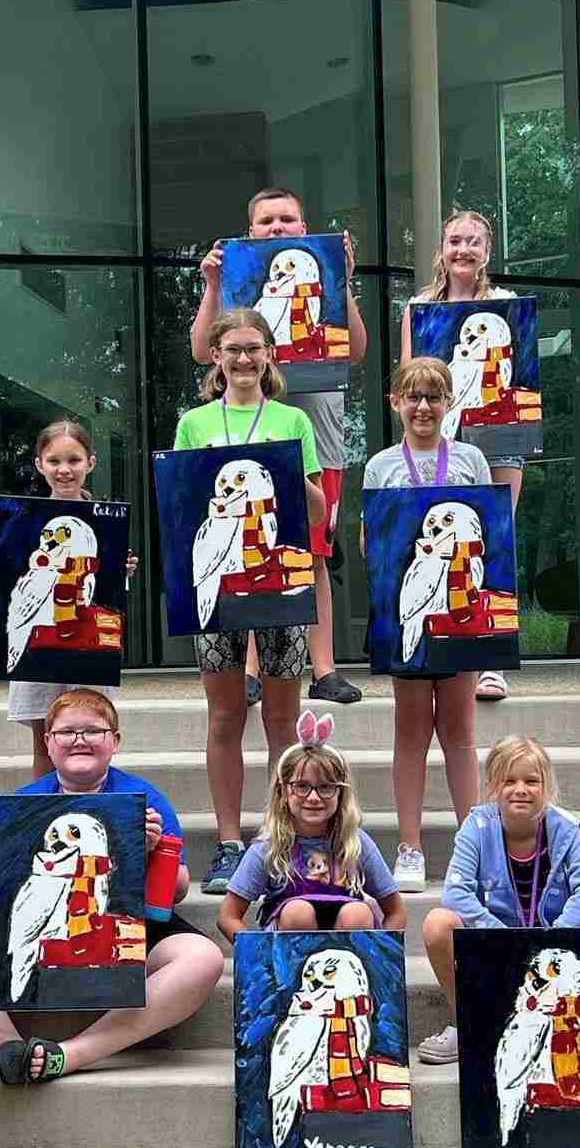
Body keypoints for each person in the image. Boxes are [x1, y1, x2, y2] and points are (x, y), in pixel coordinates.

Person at [0, 689, 223, 1084]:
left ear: (114, 741)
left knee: (204, 959)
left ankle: (70, 1054)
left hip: (124, 927)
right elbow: (4, 898)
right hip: (33, 931)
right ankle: (7, 1047)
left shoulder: (148, 800)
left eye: (93, 730)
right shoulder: (21, 802)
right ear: (47, 743)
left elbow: (177, 893)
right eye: (66, 732)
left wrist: (150, 854)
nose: (79, 739)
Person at [192, 187, 368, 708]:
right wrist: (212, 284)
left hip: (318, 442)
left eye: (287, 219)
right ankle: (249, 668)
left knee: (314, 554)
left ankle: (325, 667)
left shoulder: (325, 280)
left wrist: (346, 280)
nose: (277, 228)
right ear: (250, 231)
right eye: (266, 220)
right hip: (245, 444)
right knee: (250, 547)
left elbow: (355, 350)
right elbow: (203, 351)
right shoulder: (239, 288)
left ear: (303, 224)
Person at [175, 308, 329, 896]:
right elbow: (184, 508)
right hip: (218, 589)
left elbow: (316, 515)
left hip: (281, 585)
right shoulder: (194, 424)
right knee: (224, 717)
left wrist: (289, 475)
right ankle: (230, 843)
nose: (243, 359)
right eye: (232, 349)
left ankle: (279, 839)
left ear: (270, 354)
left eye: (254, 348)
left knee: (282, 720)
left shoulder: (293, 420)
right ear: (216, 356)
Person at [361, 356, 494, 891]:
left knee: (460, 734)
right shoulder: (381, 466)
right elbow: (371, 541)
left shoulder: (470, 459)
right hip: (406, 611)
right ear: (396, 403)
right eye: (412, 397)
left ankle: (473, 846)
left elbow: (493, 529)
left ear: (449, 404)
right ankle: (410, 848)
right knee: (411, 733)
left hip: (460, 612)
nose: (422, 407)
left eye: (433, 397)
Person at [415, 735, 580, 1064]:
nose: (520, 789)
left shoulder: (565, 828)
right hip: (495, 942)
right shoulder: (477, 825)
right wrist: (498, 933)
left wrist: (558, 931)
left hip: (557, 944)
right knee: (438, 923)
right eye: (509, 781)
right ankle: (469, 1020)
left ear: (546, 786)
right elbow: (455, 892)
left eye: (531, 781)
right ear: (493, 786)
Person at [0, 419, 137, 780]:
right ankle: (45, 817)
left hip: (83, 645)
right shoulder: (18, 522)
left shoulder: (107, 527)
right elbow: (13, 590)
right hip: (38, 645)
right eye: (55, 460)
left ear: (90, 463)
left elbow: (103, 593)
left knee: (93, 729)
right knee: (48, 738)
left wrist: (120, 572)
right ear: (39, 464)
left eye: (74, 460)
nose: (64, 470)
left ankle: (96, 809)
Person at [398, 210, 522, 702]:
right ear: (441, 250)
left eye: (473, 241)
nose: (463, 250)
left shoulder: (509, 306)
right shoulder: (420, 308)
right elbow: (410, 377)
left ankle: (491, 660)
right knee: (446, 543)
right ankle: (442, 644)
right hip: (441, 438)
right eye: (454, 241)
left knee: (495, 539)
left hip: (499, 434)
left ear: (487, 251)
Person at [217, 711, 406, 939]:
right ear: (283, 792)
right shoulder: (269, 847)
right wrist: (258, 956)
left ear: (341, 793)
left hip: (348, 956)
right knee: (298, 912)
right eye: (302, 786)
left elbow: (396, 910)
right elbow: (228, 917)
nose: (314, 797)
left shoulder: (355, 842)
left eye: (326, 787)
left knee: (357, 913)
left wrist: (383, 955)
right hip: (290, 953)